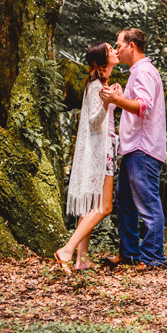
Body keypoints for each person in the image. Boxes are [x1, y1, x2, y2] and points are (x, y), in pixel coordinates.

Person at [99, 27, 167, 268]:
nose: (116, 50)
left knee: (147, 202)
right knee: (125, 202)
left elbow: (143, 106)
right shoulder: (136, 73)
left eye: (119, 45)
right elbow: (134, 104)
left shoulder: (145, 71)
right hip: (131, 148)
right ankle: (129, 254)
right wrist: (120, 95)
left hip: (143, 148)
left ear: (131, 46)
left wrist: (116, 99)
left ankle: (152, 258)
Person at [53, 41, 118, 273]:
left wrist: (113, 98)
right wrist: (109, 102)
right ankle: (67, 250)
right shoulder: (95, 86)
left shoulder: (102, 83)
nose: (115, 52)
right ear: (101, 59)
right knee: (105, 206)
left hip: (105, 148)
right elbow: (93, 121)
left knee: (91, 206)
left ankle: (82, 260)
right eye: (111, 50)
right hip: (101, 152)